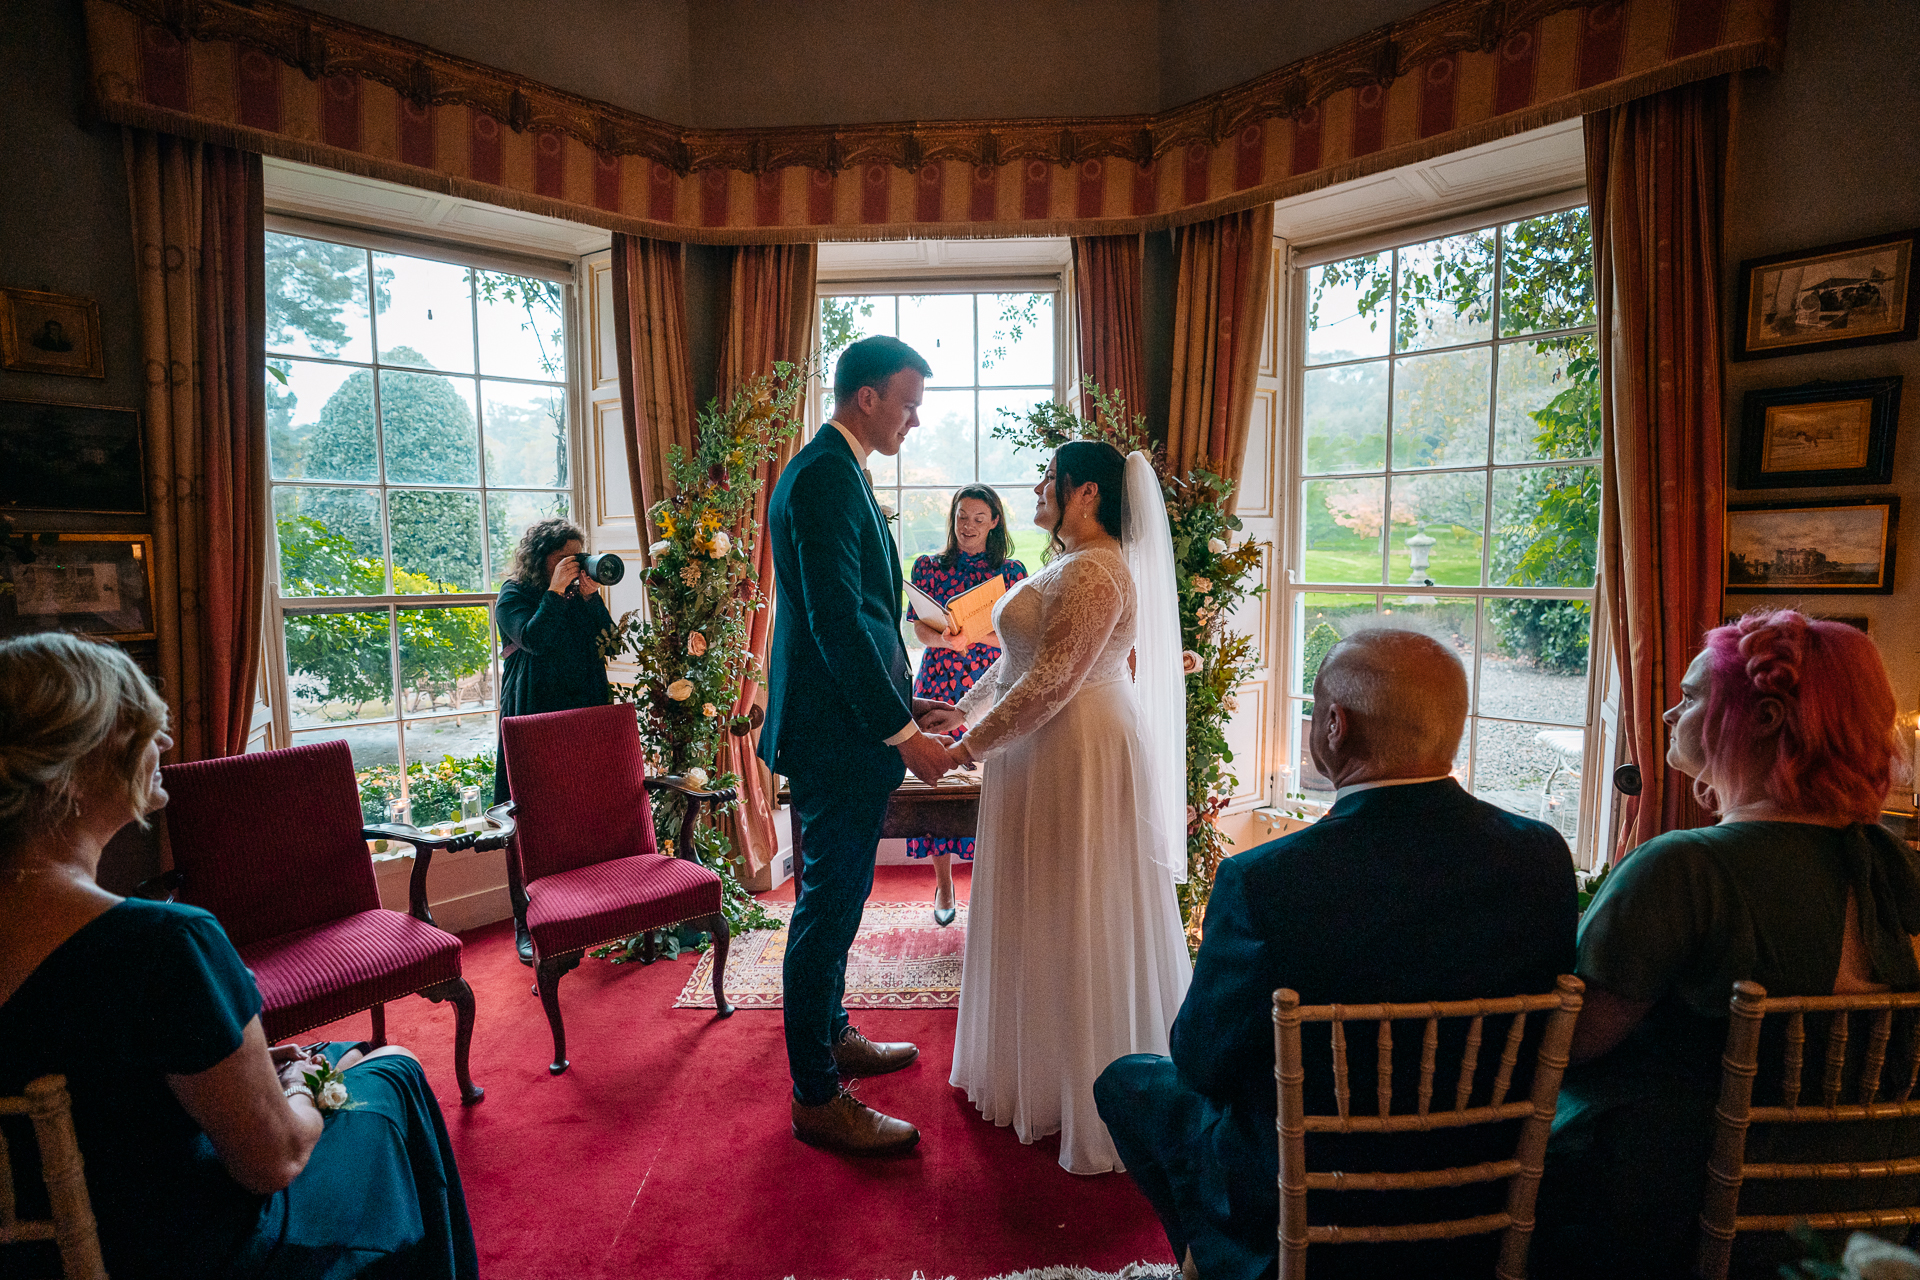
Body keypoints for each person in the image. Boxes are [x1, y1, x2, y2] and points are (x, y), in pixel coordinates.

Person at [1096, 627, 1578, 1279]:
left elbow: (1202, 1063)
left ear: (1333, 725)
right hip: (1479, 1189)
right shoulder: (1542, 857)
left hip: (1307, 1202)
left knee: (1131, 1081)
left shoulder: (1265, 880)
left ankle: (1226, 1260)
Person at [0, 633, 478, 1280]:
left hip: (42, 1246)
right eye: (144, 726)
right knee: (389, 1068)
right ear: (81, 763)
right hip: (192, 1250)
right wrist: (305, 1089)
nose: (166, 745)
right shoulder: (165, 945)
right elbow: (274, 1161)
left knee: (338, 1056)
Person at [1535, 610, 1920, 1279]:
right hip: (1867, 1211)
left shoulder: (1685, 867)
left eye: (1689, 698)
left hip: (1683, 1208)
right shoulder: (1897, 864)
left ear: (1766, 717)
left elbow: (1565, 1041)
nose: (1667, 714)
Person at [943, 440, 1193, 1175]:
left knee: (1076, 900)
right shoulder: (1064, 565)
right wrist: (954, 711)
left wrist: (965, 751)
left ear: (1087, 493)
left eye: (1051, 478)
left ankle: (1089, 1089)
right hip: (1035, 745)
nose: (1039, 487)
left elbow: (1054, 681)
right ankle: (1035, 1065)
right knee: (1041, 899)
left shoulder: (1098, 570)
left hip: (1077, 745)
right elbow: (1017, 662)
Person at [759, 335, 961, 1156]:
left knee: (838, 903)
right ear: (866, 396)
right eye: (908, 402)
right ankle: (815, 1096)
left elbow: (862, 623)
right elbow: (837, 625)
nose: (916, 420)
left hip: (844, 725)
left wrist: (908, 698)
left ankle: (833, 1032)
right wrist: (904, 734)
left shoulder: (833, 473)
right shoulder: (821, 479)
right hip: (835, 740)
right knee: (825, 909)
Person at [905, 484, 1028, 926]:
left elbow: (1019, 638)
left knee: (990, 778)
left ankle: (989, 886)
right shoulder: (928, 567)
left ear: (995, 521)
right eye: (962, 516)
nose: (969, 525)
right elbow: (917, 630)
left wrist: (972, 637)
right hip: (939, 679)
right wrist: (945, 640)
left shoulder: (1012, 573)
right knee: (938, 777)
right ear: (952, 517)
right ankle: (944, 882)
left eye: (979, 517)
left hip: (989, 682)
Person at [492, 516, 613, 963]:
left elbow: (608, 641)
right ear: (540, 559)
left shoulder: (579, 594)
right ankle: (527, 922)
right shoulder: (515, 595)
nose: (573, 565)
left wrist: (591, 597)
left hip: (584, 708)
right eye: (564, 558)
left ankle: (583, 910)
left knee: (580, 812)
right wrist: (554, 593)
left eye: (577, 557)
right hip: (533, 711)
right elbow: (536, 639)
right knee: (530, 818)